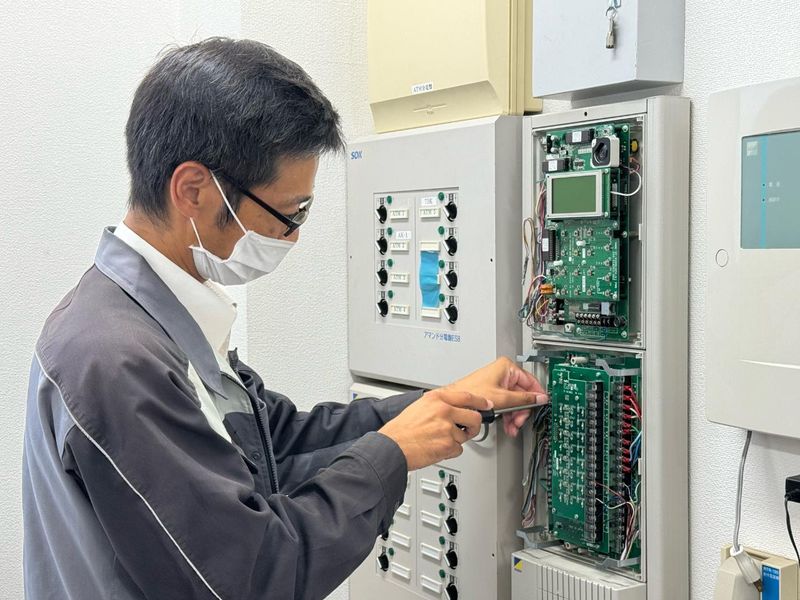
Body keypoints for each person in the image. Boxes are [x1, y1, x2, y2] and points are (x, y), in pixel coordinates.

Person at [22, 37, 547, 600]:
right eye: (288, 212)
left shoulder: (154, 320)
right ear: (193, 190)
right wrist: (391, 454)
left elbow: (278, 445)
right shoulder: (115, 359)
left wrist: (437, 406)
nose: (291, 236)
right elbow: (251, 575)